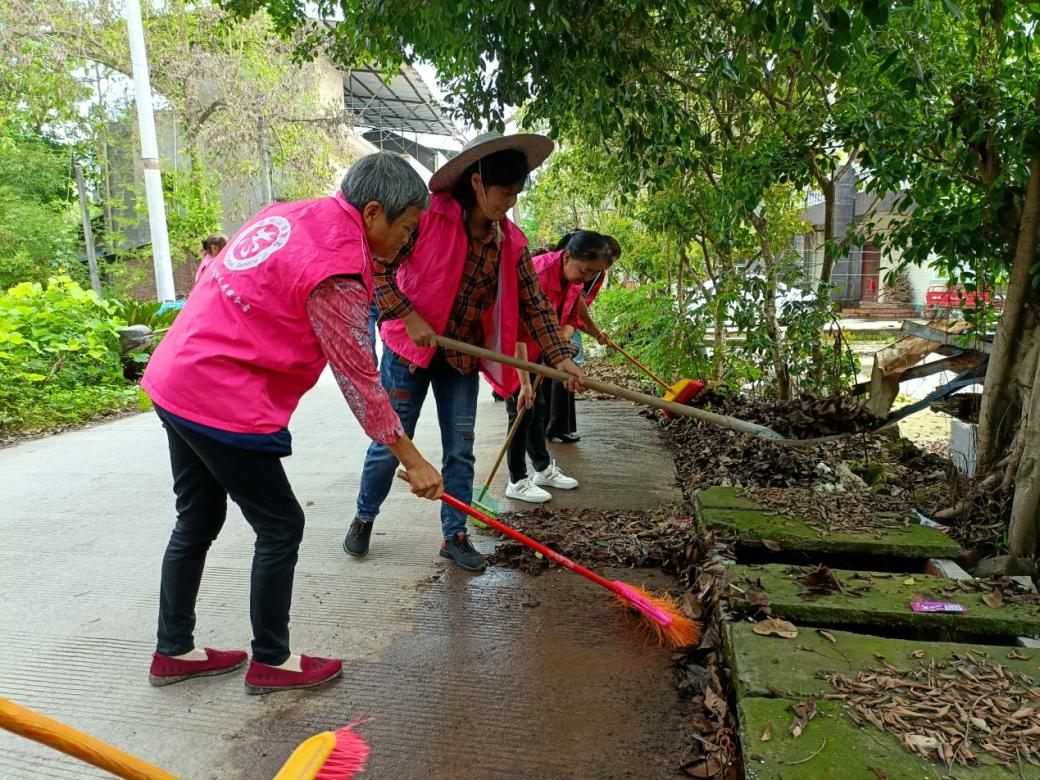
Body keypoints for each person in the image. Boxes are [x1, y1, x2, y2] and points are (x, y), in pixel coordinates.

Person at [141, 153, 443, 695]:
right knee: (281, 525)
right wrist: (415, 462)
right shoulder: (340, 271)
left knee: (198, 517)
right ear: (373, 212)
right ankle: (271, 661)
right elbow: (360, 381)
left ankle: (174, 649)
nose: (407, 242)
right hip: (222, 400)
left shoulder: (285, 214)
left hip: (176, 376)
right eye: (406, 229)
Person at [345, 132, 586, 572]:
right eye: (504, 192)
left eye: (516, 194)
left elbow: (533, 303)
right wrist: (407, 314)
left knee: (461, 449)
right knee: (390, 442)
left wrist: (559, 356)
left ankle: (454, 534)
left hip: (459, 357)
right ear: (477, 183)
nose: (509, 203)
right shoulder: (427, 218)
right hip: (407, 351)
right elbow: (374, 266)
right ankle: (364, 516)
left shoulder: (510, 243)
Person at [504, 231, 613, 503]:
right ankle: (516, 480)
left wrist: (560, 343)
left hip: (542, 347)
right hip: (513, 350)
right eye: (585, 271)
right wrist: (525, 383)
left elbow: (573, 316)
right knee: (520, 409)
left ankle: (541, 469)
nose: (586, 278)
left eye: (593, 275)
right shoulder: (538, 275)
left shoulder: (575, 277)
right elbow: (516, 330)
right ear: (567, 256)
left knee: (538, 409)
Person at [545, 234, 620, 443]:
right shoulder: (553, 270)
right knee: (564, 369)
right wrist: (592, 331)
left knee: (565, 367)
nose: (591, 275)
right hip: (546, 330)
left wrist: (592, 332)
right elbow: (577, 305)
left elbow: (574, 312)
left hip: (561, 327)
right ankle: (555, 428)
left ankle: (556, 427)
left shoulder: (592, 272)